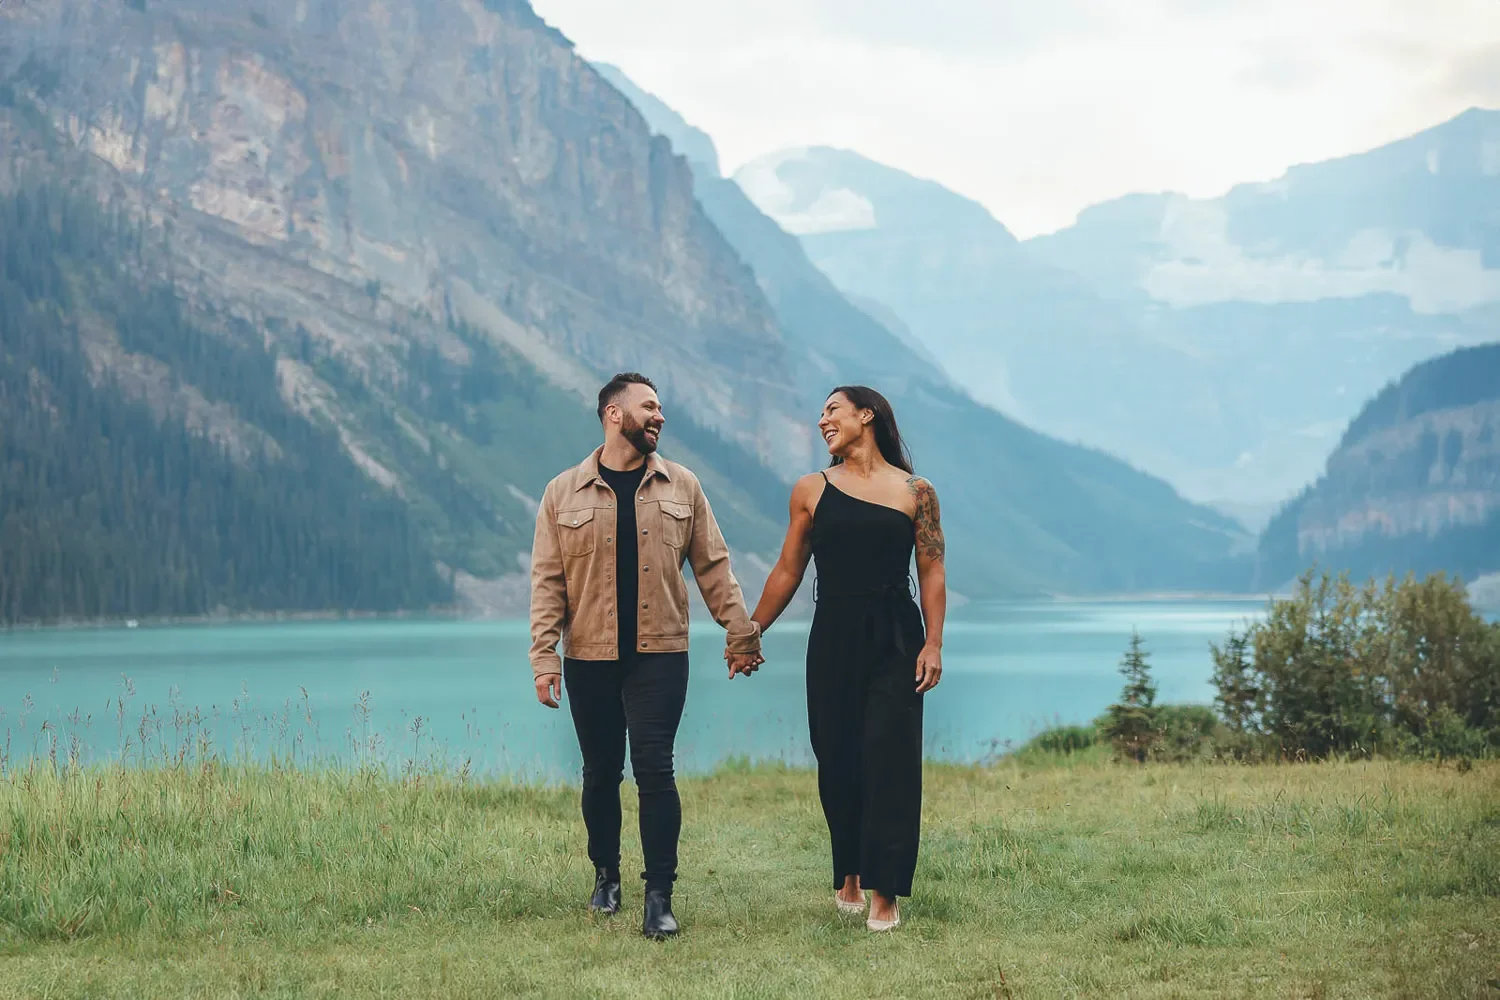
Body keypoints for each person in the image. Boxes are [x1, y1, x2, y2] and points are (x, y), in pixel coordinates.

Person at [529, 372, 765, 940]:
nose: (659, 416)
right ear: (614, 413)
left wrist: (740, 632)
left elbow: (713, 566)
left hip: (661, 654)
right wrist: (544, 657)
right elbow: (547, 581)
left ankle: (659, 896)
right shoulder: (563, 492)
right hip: (589, 653)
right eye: (650, 406)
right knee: (600, 773)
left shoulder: (683, 485)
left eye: (661, 408)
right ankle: (606, 876)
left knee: (655, 770)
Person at [743, 385, 946, 933]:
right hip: (832, 636)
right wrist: (751, 629)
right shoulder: (810, 490)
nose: (822, 420)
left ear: (867, 414)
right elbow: (788, 570)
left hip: (896, 638)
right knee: (838, 758)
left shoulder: (915, 491)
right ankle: (848, 871)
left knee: (891, 759)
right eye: (821, 413)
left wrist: (933, 642)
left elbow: (931, 570)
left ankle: (885, 894)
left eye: (832, 409)